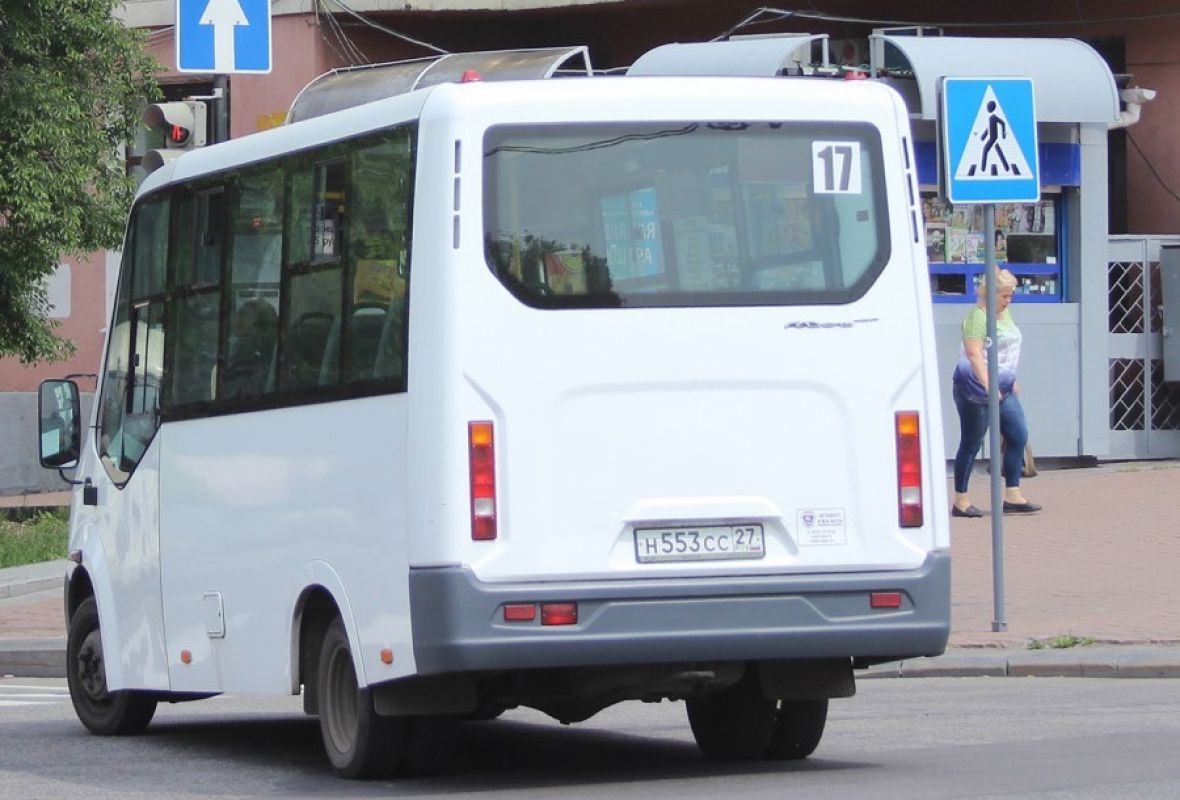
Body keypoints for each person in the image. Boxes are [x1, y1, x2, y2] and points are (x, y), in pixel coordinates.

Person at [951, 268, 1041, 517]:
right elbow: (974, 353)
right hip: (974, 388)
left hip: (1003, 387)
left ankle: (1013, 494)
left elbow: (1005, 351)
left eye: (1010, 296)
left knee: (1018, 434)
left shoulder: (1005, 314)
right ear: (990, 294)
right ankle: (961, 499)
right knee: (972, 441)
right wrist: (989, 386)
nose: (1008, 301)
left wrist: (1011, 379)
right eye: (1005, 296)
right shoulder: (977, 317)